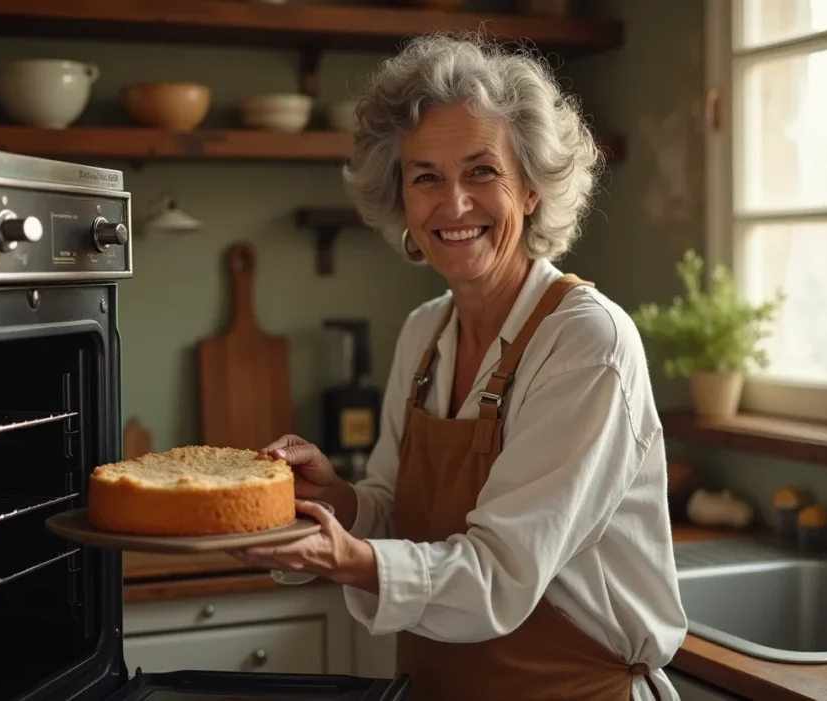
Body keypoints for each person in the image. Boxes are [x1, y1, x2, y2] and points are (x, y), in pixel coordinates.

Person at [228, 32, 687, 701]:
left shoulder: (588, 343)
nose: (453, 205)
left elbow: (501, 572)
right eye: (425, 178)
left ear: (530, 189)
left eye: (482, 171)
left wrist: (348, 558)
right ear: (403, 201)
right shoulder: (425, 332)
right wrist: (340, 501)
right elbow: (398, 515)